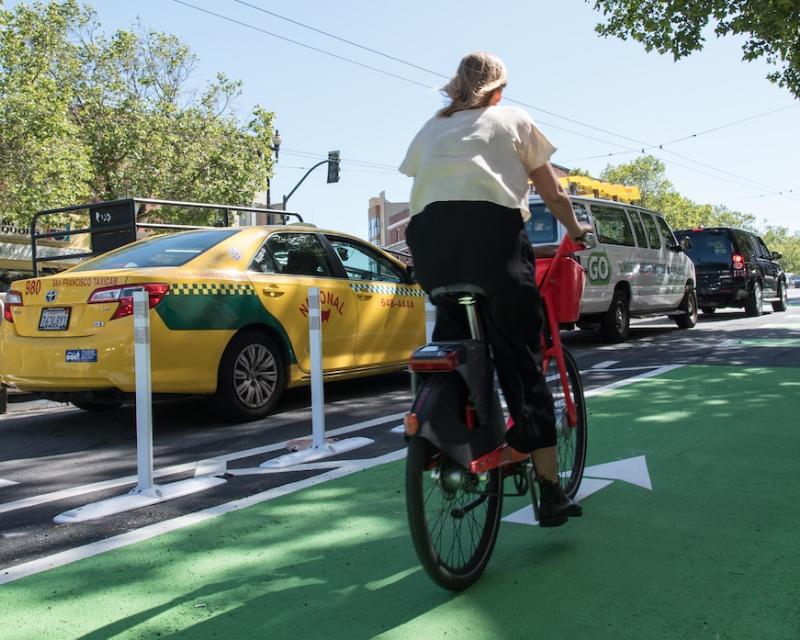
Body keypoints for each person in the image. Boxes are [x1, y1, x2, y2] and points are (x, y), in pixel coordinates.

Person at [399, 51, 592, 527]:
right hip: (493, 243)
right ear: (499, 90)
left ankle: (447, 435)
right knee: (522, 363)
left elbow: (422, 186)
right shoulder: (513, 119)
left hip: (431, 248)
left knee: (453, 347)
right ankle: (549, 493)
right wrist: (577, 230)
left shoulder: (429, 129)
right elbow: (553, 193)